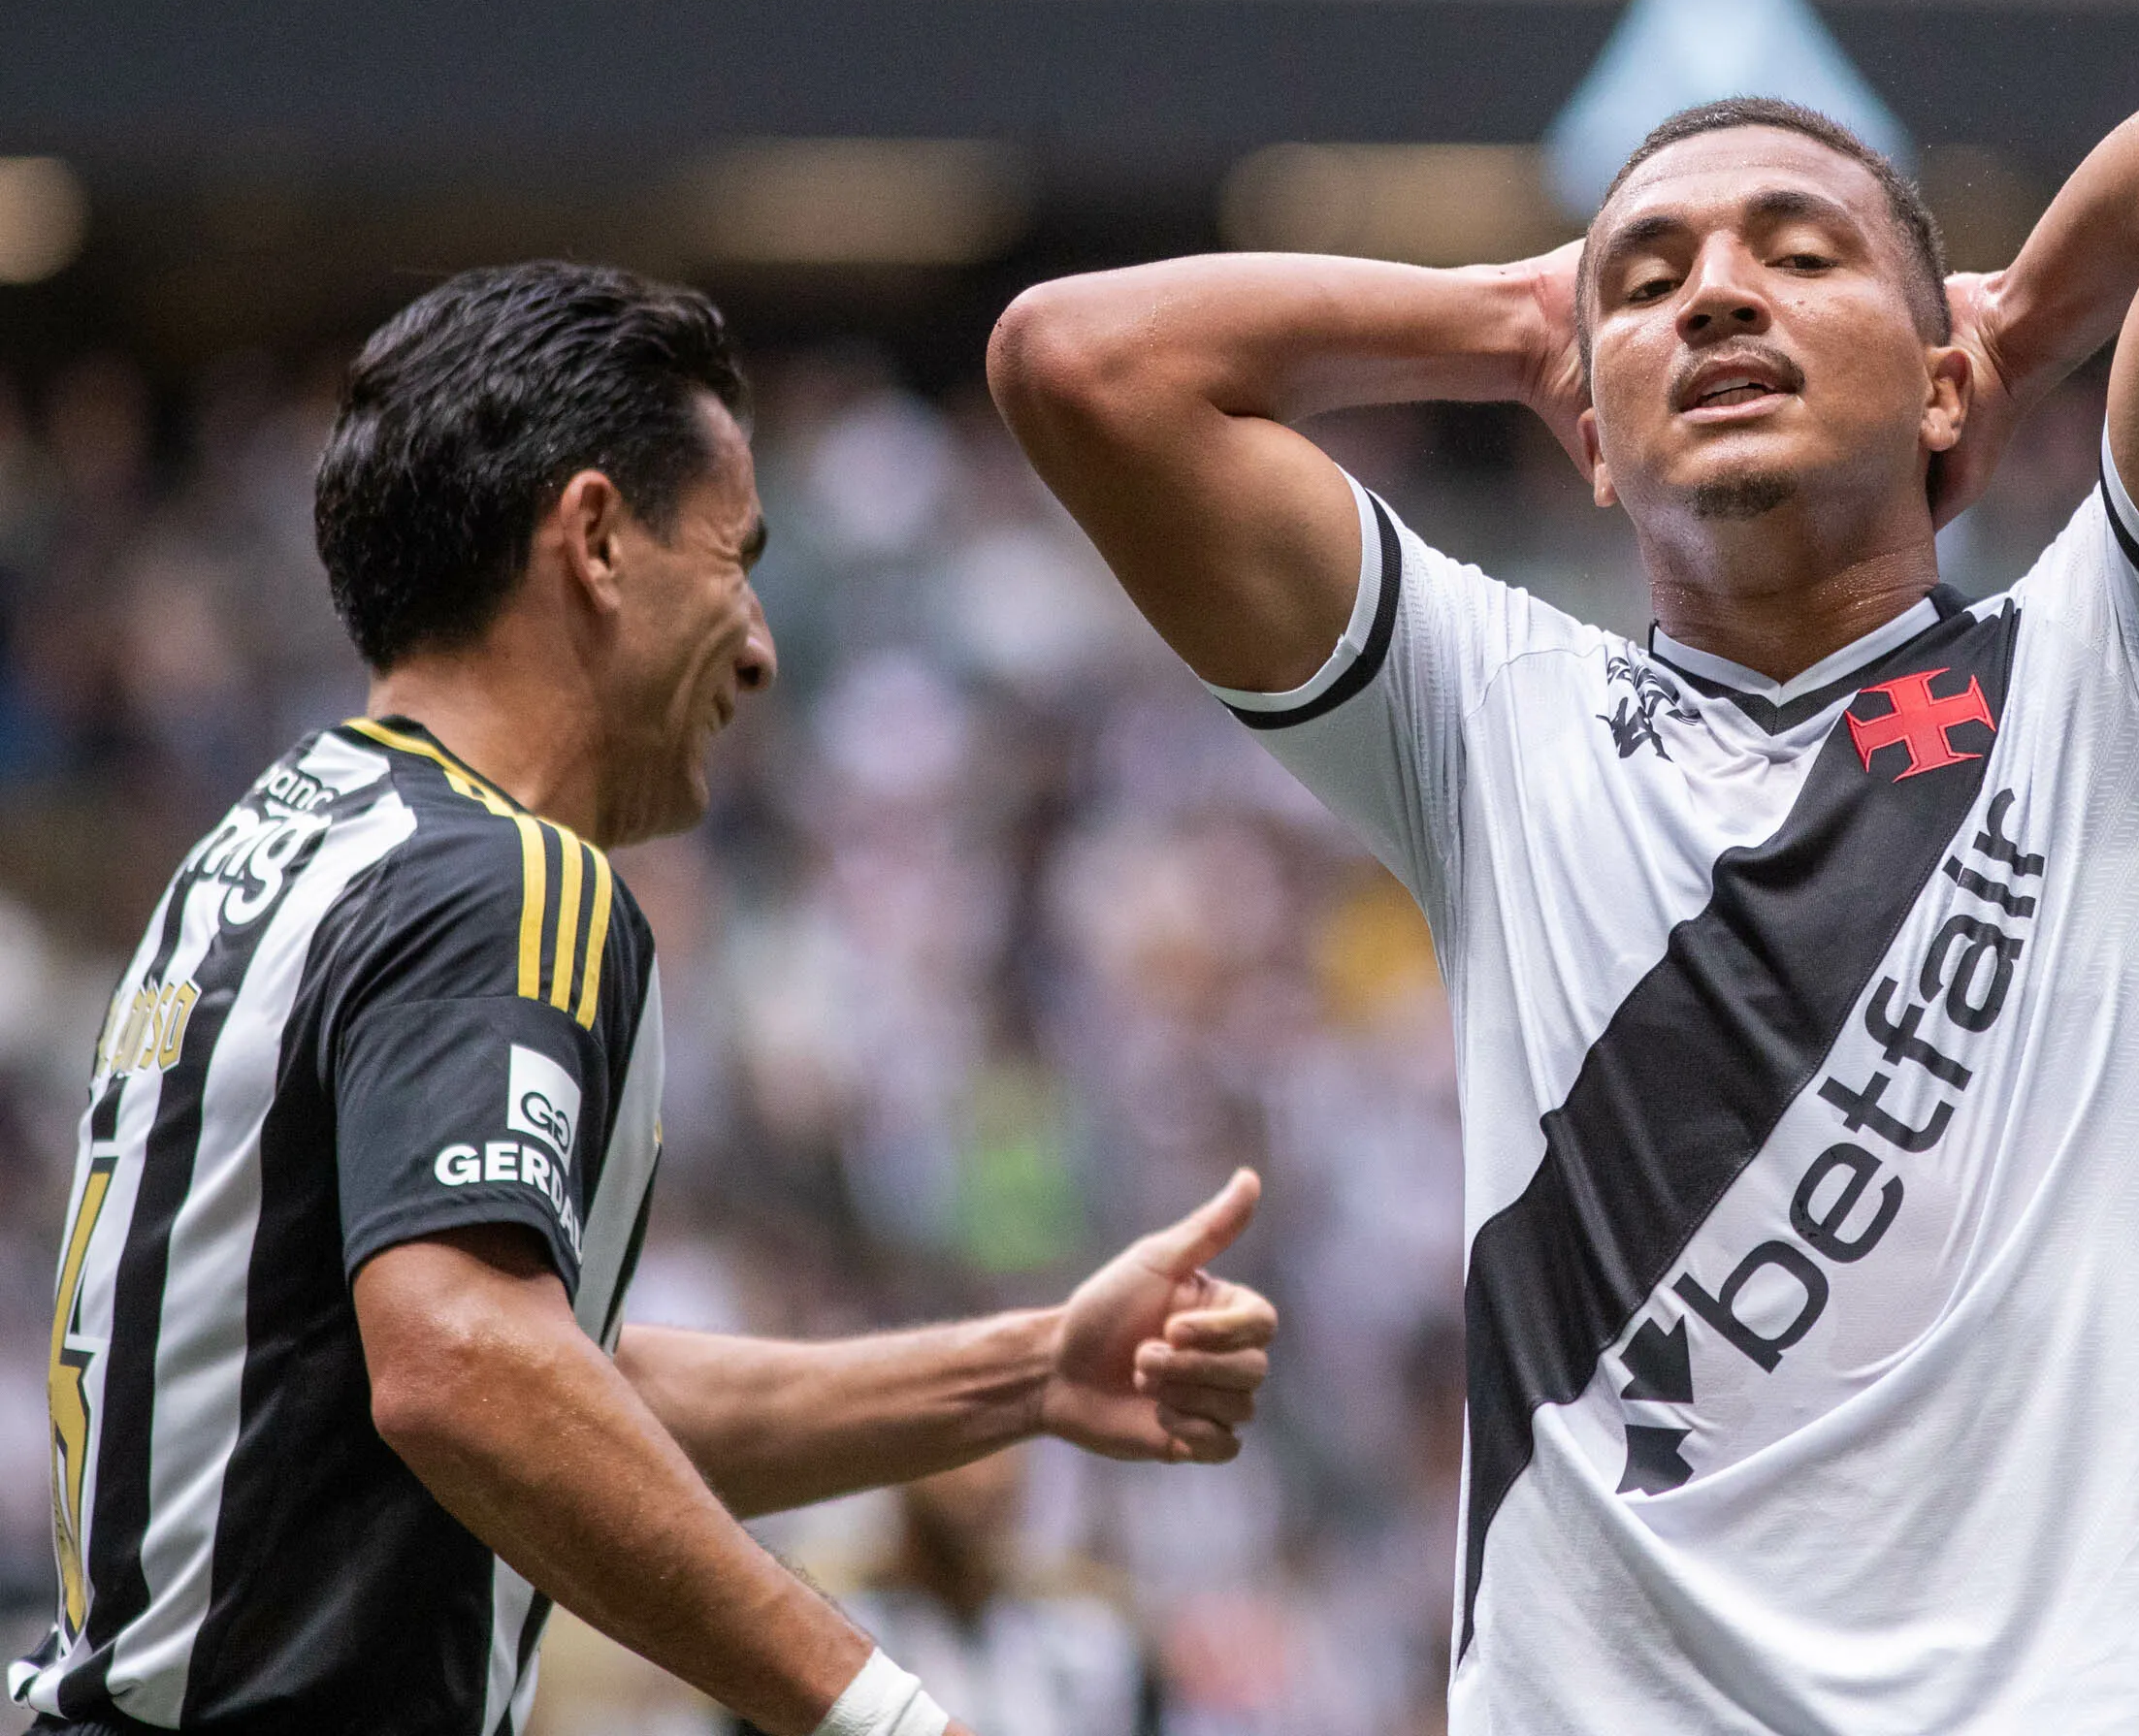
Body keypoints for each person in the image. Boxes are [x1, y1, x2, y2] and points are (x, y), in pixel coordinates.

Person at [988, 48, 2139, 1729]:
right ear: (1590, 431)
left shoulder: (2125, 674)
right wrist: (1514, 319)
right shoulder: (1493, 726)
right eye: (1646, 284)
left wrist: (2015, 331)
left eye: (1800, 254)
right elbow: (1080, 362)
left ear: (1939, 386)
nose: (1715, 294)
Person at [14, 263, 1280, 1736]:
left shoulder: (274, 848)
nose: (760, 645)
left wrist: (1028, 1370)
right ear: (599, 539)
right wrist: (884, 1713)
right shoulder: (504, 875)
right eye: (735, 559)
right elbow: (467, 1373)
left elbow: (561, 1397)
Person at [768, 1450, 1152, 1736]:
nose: (985, 1480)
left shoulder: (1088, 1639)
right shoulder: (837, 1628)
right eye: (965, 1456)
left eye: (1002, 1452)